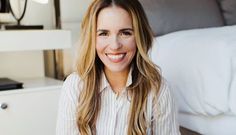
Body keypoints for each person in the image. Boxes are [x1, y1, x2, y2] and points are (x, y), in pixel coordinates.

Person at [56, 0, 180, 134]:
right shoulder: (75, 86)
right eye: (104, 33)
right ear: (92, 38)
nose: (115, 45)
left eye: (125, 33)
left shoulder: (159, 91)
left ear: (139, 36)